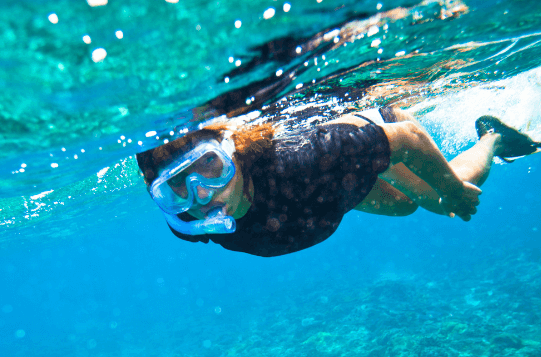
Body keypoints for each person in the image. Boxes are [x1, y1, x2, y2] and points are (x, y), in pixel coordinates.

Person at [136, 107, 540, 258]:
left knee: (442, 200)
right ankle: (381, 149)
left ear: (234, 153)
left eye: (209, 166)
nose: (200, 195)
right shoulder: (190, 223)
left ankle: (494, 136)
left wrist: (452, 189)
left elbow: (409, 140)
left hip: (346, 153)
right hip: (332, 193)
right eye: (176, 187)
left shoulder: (307, 158)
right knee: (404, 205)